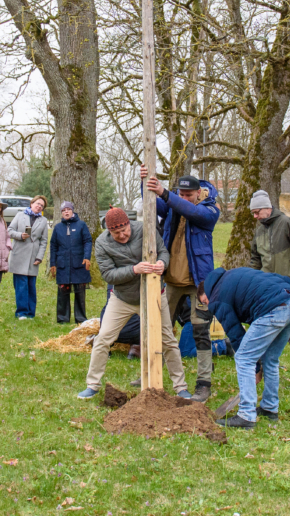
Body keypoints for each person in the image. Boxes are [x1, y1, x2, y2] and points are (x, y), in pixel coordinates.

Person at [79, 208, 189, 399]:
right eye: (116, 233)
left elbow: (163, 251)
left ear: (129, 223)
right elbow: (108, 275)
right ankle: (93, 384)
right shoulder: (102, 243)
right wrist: (134, 269)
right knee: (103, 338)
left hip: (155, 295)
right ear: (109, 231)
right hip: (123, 298)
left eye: (125, 230)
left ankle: (181, 387)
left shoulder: (145, 230)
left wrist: (163, 263)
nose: (122, 235)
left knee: (168, 340)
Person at [141, 165, 221, 402]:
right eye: (181, 194)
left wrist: (167, 193)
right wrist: (144, 181)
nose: (184, 198)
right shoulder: (173, 204)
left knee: (200, 331)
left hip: (199, 282)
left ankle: (204, 382)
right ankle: (150, 372)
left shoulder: (210, 209)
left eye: (189, 195)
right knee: (158, 325)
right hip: (172, 279)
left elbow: (192, 212)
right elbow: (154, 203)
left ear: (199, 193)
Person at [202, 266, 290, 429]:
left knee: (244, 358)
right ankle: (269, 407)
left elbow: (236, 334)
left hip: (275, 309)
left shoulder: (216, 297)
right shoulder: (236, 274)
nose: (208, 307)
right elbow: (283, 278)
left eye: (205, 302)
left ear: (206, 293)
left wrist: (254, 369)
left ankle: (246, 416)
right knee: (271, 358)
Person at [247, 190, 290, 391]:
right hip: (269, 290)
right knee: (266, 330)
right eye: (253, 213)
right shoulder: (259, 231)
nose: (255, 216)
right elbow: (255, 259)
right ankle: (266, 372)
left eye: (257, 212)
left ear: (267, 208)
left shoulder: (287, 224)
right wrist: (250, 279)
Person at [49, 201, 92, 324]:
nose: (66, 212)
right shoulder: (57, 228)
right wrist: (53, 263)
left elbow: (87, 241)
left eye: (68, 209)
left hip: (79, 263)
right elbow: (53, 246)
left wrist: (87, 257)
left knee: (80, 293)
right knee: (63, 293)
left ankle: (80, 319)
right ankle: (62, 318)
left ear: (72, 211)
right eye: (63, 210)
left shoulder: (81, 225)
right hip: (63, 264)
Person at [7, 196, 48, 320]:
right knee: (21, 285)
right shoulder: (20, 216)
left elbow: (44, 241)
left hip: (33, 257)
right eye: (37, 203)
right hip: (19, 255)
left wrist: (39, 257)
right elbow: (9, 231)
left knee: (31, 286)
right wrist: (20, 235)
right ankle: (21, 312)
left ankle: (31, 313)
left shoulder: (43, 220)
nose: (39, 206)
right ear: (31, 203)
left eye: (42, 205)